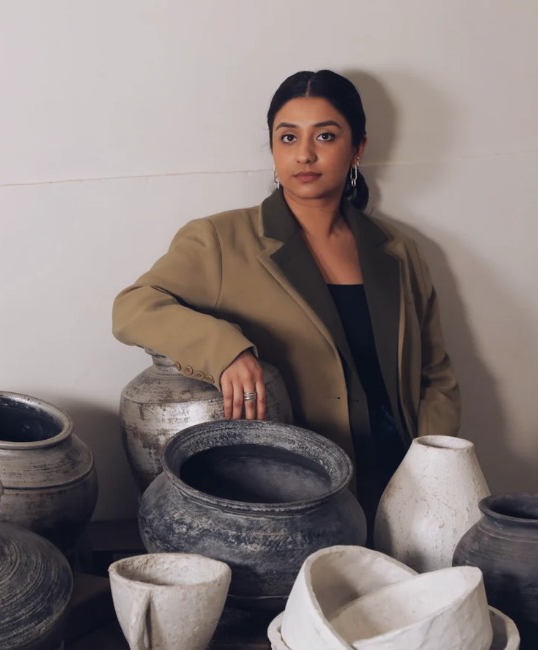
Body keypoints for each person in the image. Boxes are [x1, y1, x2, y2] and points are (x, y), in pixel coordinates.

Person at [111, 69, 460, 532]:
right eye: (288, 137)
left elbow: (435, 374)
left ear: (358, 148)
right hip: (296, 500)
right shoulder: (220, 241)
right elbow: (133, 307)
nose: (304, 154)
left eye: (326, 136)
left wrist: (432, 467)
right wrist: (225, 350)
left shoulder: (398, 251)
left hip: (406, 489)